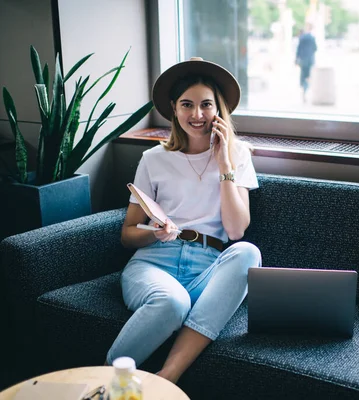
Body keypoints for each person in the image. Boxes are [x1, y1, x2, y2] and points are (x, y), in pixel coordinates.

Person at [105, 57, 262, 384]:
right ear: (174, 109)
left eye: (206, 105)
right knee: (171, 302)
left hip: (208, 267)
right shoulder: (153, 159)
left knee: (248, 253)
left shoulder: (237, 155)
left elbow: (235, 230)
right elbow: (128, 235)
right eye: (187, 105)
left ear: (218, 109)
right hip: (154, 264)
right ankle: (108, 381)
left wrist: (224, 164)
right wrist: (155, 232)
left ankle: (168, 376)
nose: (197, 115)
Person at [296, 25, 318, 102]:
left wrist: (296, 60)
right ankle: (306, 89)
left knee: (303, 75)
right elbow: (315, 48)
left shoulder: (301, 39)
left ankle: (304, 90)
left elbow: (298, 50)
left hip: (303, 61)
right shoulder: (312, 38)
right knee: (308, 76)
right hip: (310, 60)